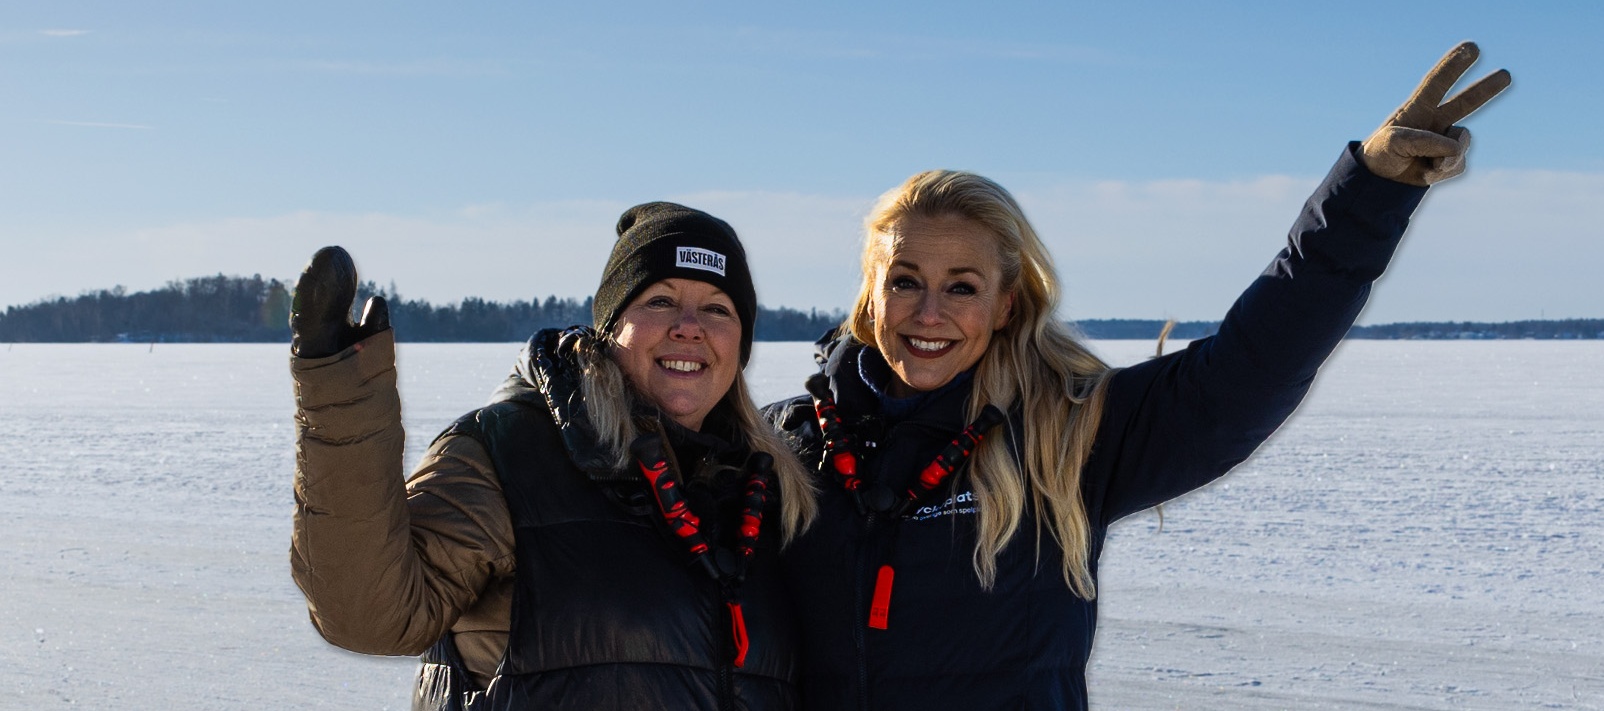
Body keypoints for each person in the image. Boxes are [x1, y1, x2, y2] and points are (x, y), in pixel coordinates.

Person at [764, 43, 1510, 710]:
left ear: (1005, 304)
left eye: (962, 286)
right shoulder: (785, 443)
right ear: (870, 294)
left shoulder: (1070, 432)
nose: (929, 313)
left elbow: (1251, 368)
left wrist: (1367, 195)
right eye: (904, 281)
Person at [288, 202, 816, 710]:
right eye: (660, 301)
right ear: (610, 328)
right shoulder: (508, 453)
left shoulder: (768, 492)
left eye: (717, 309)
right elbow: (372, 616)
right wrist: (342, 399)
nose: (689, 326)